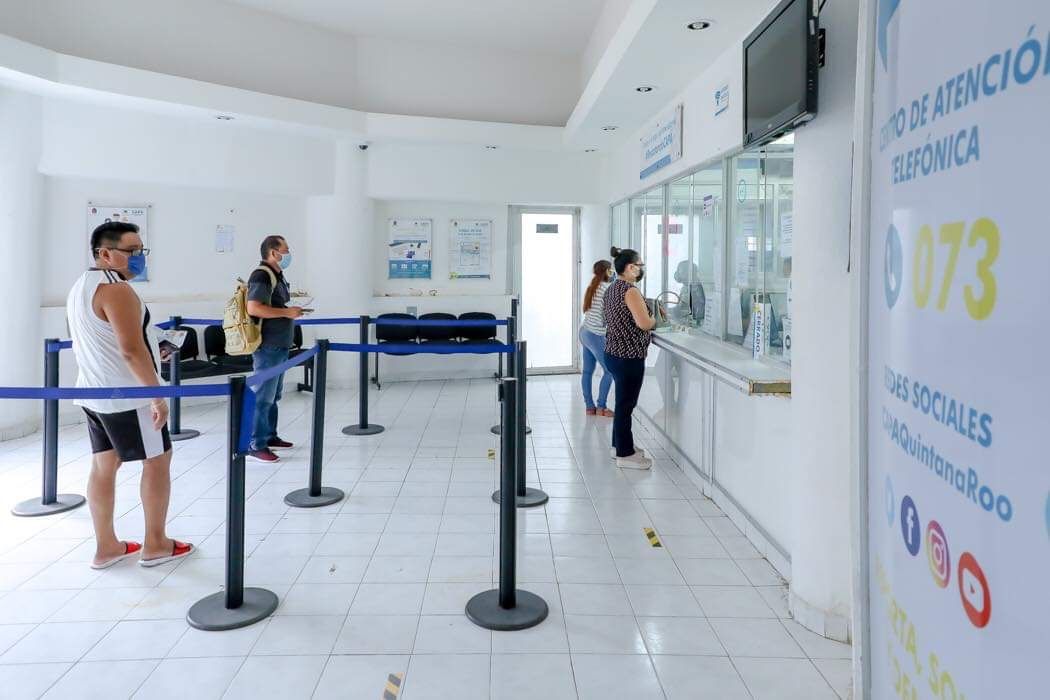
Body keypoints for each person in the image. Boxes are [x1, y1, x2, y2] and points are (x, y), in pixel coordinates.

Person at [67, 221, 193, 569]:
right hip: (128, 396)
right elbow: (130, 350)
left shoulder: (81, 285)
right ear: (105, 254)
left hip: (94, 393)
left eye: (141, 250)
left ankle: (106, 547)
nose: (139, 257)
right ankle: (156, 543)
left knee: (104, 464)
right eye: (131, 251)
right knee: (158, 460)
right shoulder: (116, 290)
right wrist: (156, 396)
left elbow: (113, 341)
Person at [245, 235, 303, 463]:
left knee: (273, 395)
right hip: (267, 345)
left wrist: (289, 311)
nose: (288, 254)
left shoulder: (276, 275)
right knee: (263, 396)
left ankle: (270, 436)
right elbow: (254, 308)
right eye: (285, 250)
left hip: (280, 344)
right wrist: (287, 312)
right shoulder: (261, 275)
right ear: (273, 252)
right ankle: (256, 444)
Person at [603, 246, 656, 470]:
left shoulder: (612, 288)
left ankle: (619, 445)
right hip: (628, 356)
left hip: (613, 353)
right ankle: (625, 454)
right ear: (629, 267)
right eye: (639, 265)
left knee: (622, 403)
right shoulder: (630, 291)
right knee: (626, 405)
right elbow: (644, 323)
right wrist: (655, 319)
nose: (642, 269)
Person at [580, 260, 614, 417]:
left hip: (585, 332)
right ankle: (601, 407)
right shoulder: (607, 289)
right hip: (595, 335)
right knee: (610, 370)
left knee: (587, 371)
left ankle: (589, 407)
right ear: (607, 271)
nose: (613, 273)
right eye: (611, 270)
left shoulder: (593, 287)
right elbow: (608, 317)